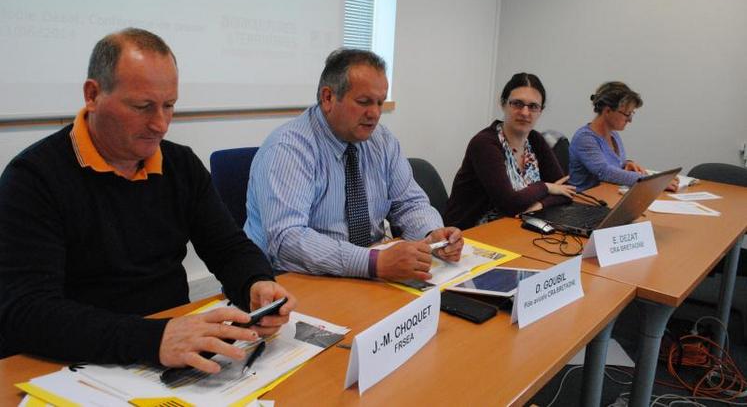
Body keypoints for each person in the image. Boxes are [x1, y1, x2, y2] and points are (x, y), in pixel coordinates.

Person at [0, 28, 296, 373]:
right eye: (142, 107)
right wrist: (153, 339)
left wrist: (256, 283)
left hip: (167, 352)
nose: (160, 124)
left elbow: (229, 247)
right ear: (93, 94)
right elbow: (26, 312)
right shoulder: (34, 178)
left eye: (169, 106)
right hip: (77, 363)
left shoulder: (179, 164)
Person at [245, 48, 463, 282]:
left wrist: (431, 234)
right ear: (328, 98)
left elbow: (409, 203)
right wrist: (372, 263)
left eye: (380, 102)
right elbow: (287, 240)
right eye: (364, 102)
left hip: (368, 271)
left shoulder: (382, 141)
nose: (375, 113)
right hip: (295, 278)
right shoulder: (289, 149)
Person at [444, 73, 575, 229]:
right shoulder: (485, 144)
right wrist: (547, 187)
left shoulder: (535, 140)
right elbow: (510, 204)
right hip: (471, 234)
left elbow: (567, 192)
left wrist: (539, 205)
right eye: (517, 104)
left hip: (517, 226)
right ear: (503, 104)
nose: (525, 113)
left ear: (541, 111)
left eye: (533, 106)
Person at [569, 81, 678, 192]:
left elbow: (613, 164)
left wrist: (627, 164)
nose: (630, 120)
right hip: (584, 202)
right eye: (627, 114)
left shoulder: (613, 135)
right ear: (607, 111)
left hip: (608, 197)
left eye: (631, 113)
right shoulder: (585, 138)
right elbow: (605, 172)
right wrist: (654, 182)